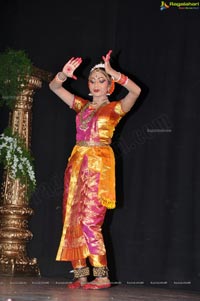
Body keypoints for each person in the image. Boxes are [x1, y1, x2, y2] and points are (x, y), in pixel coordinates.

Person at [49, 50, 141, 289]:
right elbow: (55, 88)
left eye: (102, 80)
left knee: (90, 220)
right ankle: (81, 274)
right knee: (71, 219)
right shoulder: (82, 107)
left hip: (99, 167)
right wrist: (63, 75)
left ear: (110, 85)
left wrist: (116, 74)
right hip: (77, 165)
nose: (97, 84)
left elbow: (136, 91)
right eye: (93, 80)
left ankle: (102, 275)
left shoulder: (116, 109)